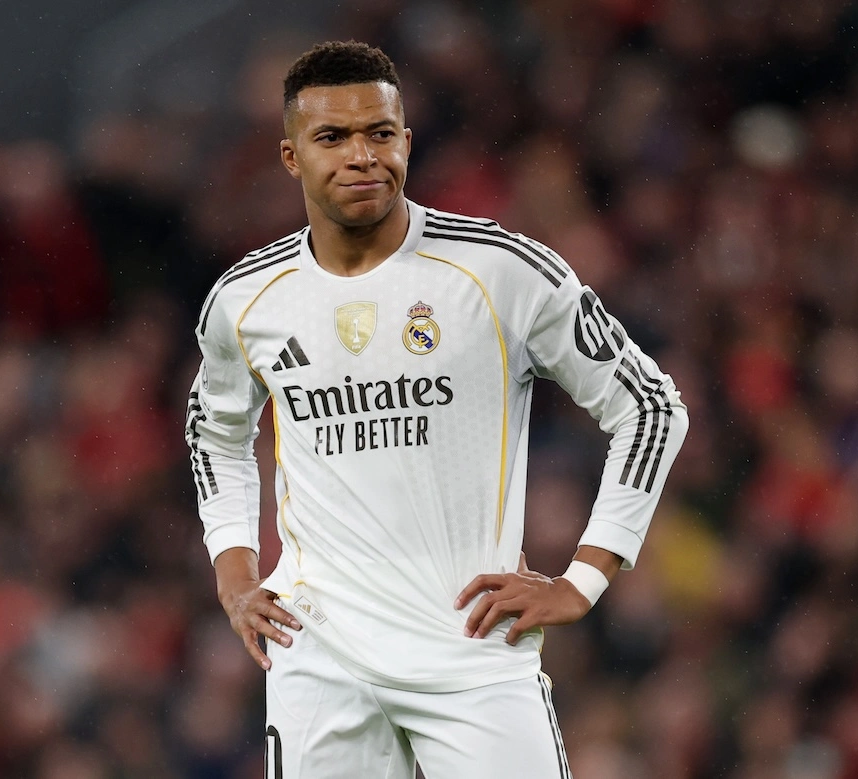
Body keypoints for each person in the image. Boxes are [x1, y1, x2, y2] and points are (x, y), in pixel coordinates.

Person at [186, 40, 688, 779]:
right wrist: (234, 569)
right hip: (320, 656)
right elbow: (216, 431)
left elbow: (650, 406)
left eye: (379, 134)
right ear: (291, 158)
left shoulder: (500, 272)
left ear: (406, 142)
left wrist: (583, 578)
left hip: (472, 648)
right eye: (332, 138)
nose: (362, 155)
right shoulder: (245, 299)